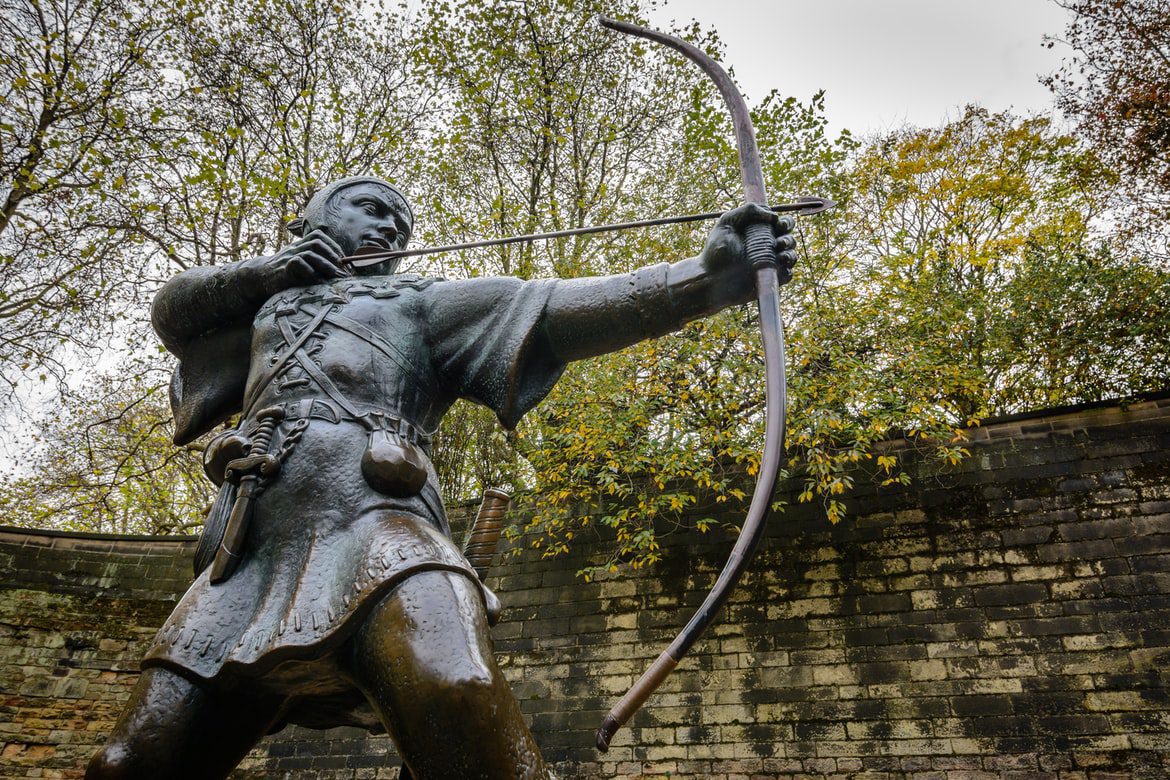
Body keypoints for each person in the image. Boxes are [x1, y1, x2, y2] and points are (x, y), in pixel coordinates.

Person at [86, 176, 796, 779]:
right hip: (246, 551)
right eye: (367, 204)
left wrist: (706, 278)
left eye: (399, 219)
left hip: (377, 526)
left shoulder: (419, 303)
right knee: (131, 762)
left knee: (456, 692)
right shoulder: (266, 305)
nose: (389, 222)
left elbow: (555, 310)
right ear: (309, 219)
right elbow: (174, 310)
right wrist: (268, 273)